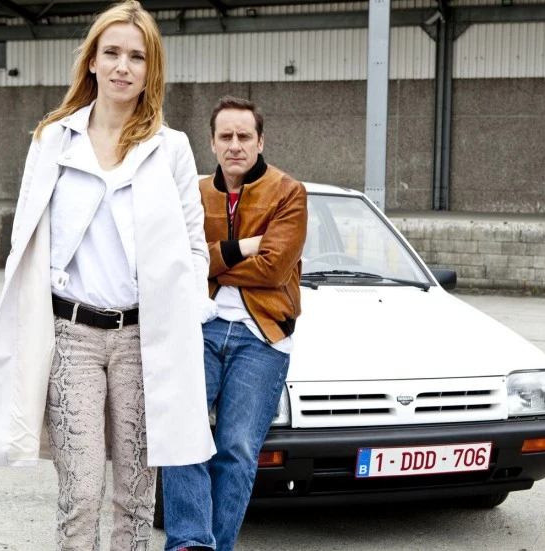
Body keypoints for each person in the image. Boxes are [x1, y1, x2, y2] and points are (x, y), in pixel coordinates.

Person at [0, 2, 216, 549]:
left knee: (136, 499)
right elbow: (24, 239)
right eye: (111, 53)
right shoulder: (53, 140)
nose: (122, 67)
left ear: (151, 69)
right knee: (81, 494)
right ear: (91, 61)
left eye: (137, 56)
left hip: (144, 340)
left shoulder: (171, 148)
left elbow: (192, 244)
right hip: (72, 338)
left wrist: (190, 313)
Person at [162, 96, 308, 551]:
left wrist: (208, 263)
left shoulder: (288, 192)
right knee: (181, 434)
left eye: (245, 136)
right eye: (225, 136)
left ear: (260, 141)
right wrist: (243, 247)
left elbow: (274, 268)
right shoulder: (195, 192)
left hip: (262, 335)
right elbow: (177, 259)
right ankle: (190, 543)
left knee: (238, 448)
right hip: (199, 328)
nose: (235, 144)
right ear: (212, 142)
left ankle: (216, 545)